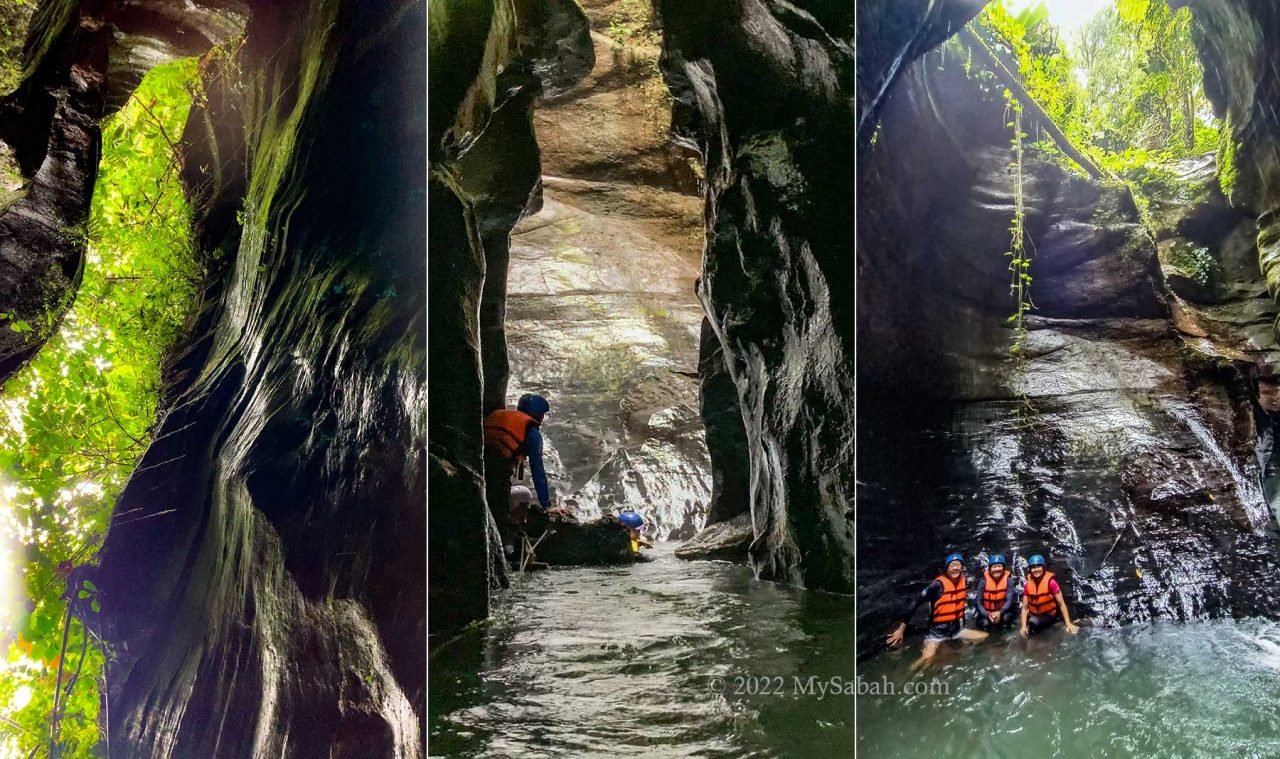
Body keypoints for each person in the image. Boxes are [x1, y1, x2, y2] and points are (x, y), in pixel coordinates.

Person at [886, 553, 988, 670]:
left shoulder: (963, 581)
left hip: (956, 630)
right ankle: (907, 676)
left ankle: (957, 653)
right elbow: (915, 603)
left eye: (958, 565)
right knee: (926, 659)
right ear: (947, 569)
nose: (955, 567)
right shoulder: (937, 585)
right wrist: (901, 630)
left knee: (983, 636)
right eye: (952, 565)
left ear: (962, 568)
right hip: (937, 634)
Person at [483, 393, 553, 513]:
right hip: (497, 477)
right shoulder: (533, 435)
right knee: (523, 494)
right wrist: (547, 505)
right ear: (539, 416)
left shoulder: (499, 415)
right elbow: (538, 471)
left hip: (480, 468)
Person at [1020, 554, 1080, 637]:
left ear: (1043, 568)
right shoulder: (1028, 584)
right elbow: (1025, 608)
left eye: (1038, 566)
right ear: (1030, 570)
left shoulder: (1051, 583)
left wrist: (1068, 623)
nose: (1036, 569)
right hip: (1034, 614)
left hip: (1048, 615)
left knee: (1033, 621)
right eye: (1033, 567)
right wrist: (1023, 626)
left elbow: (1061, 604)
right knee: (1032, 620)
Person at [973, 554, 1015, 631]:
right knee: (985, 624)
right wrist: (987, 614)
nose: (997, 569)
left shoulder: (1008, 580)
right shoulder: (983, 581)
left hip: (1001, 612)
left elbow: (1009, 600)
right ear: (989, 568)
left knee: (1006, 619)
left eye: (999, 566)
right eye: (994, 566)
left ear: (1003, 568)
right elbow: (978, 602)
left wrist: (1000, 612)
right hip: (986, 613)